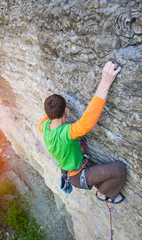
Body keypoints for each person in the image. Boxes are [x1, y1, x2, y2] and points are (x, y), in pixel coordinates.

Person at [38, 61, 126, 204]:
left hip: (73, 172)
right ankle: (103, 195)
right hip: (78, 176)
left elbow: (43, 122)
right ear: (66, 111)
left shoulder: (45, 127)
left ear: (48, 114)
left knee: (106, 172)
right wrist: (105, 81)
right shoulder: (65, 133)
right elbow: (86, 123)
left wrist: (52, 106)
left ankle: (103, 186)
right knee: (119, 170)